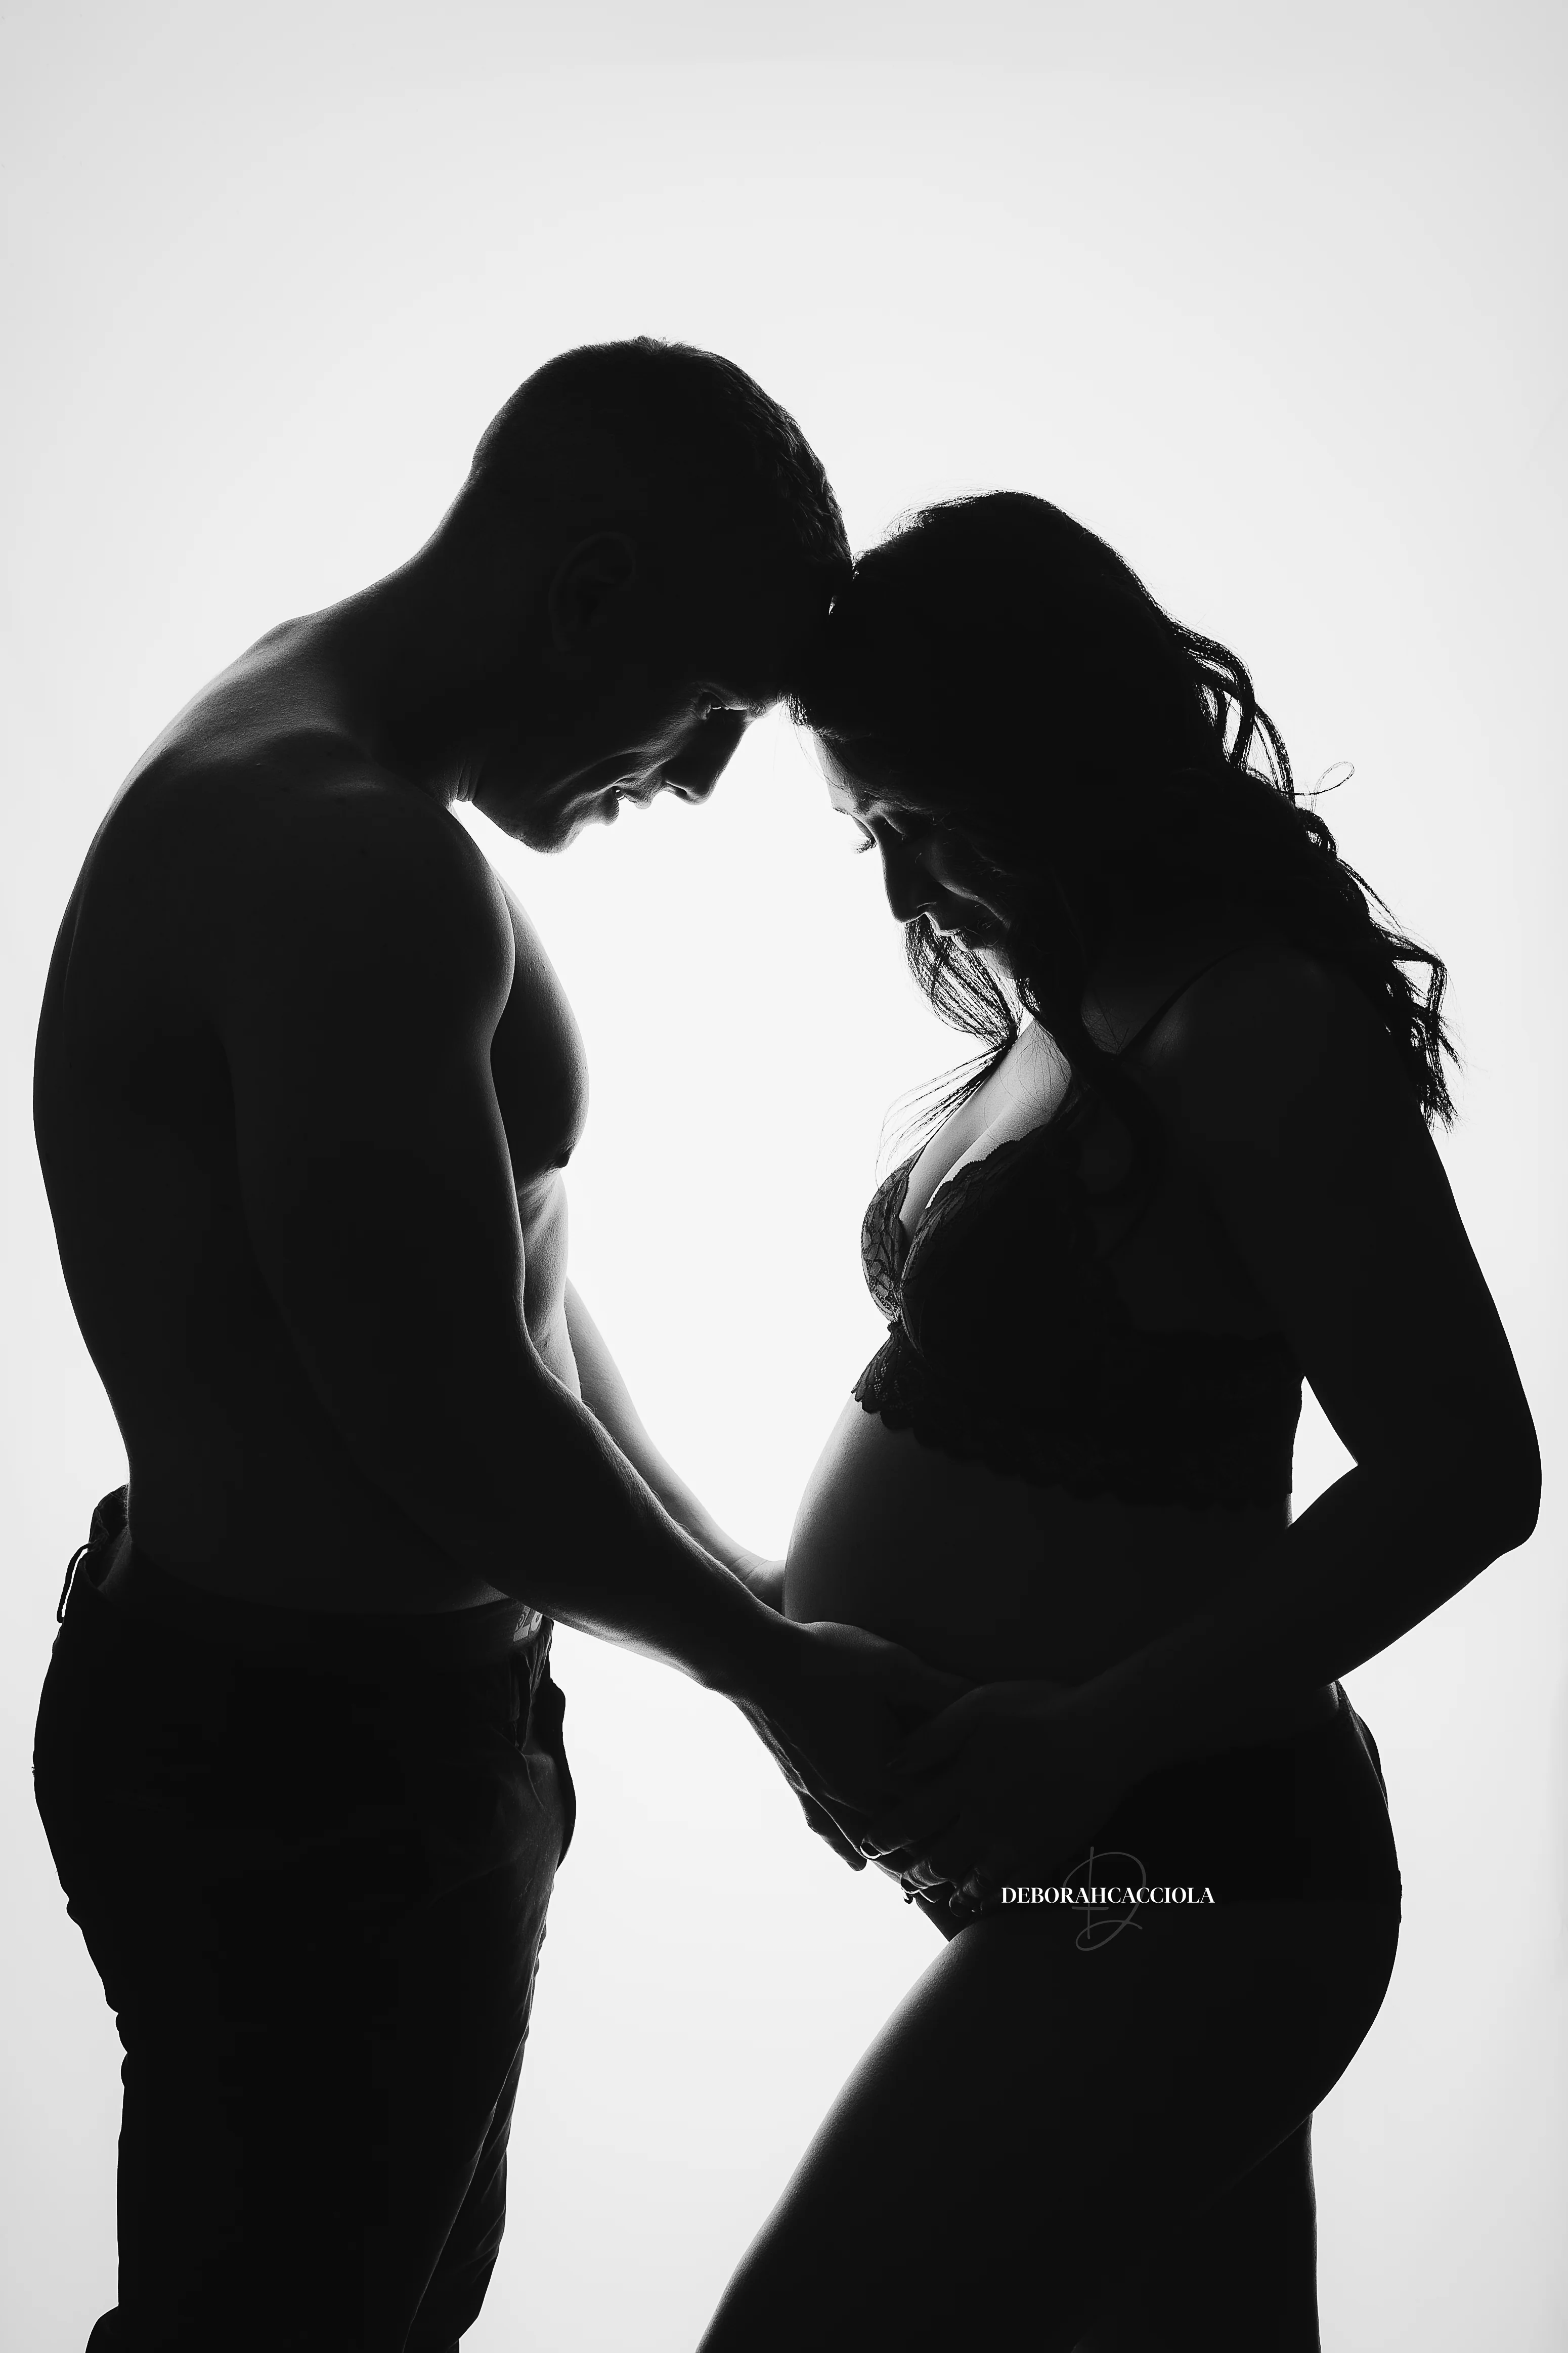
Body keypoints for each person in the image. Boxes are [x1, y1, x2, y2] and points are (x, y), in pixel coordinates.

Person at [31, 337, 955, 2353]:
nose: (701, 779)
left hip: (357, 1733)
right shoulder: (342, 864)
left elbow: (502, 1293)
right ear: (591, 591)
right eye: (709, 705)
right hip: (311, 1770)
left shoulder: (348, 778)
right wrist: (763, 1670)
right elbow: (435, 1419)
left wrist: (756, 1603)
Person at [698, 492, 1541, 2352]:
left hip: (1186, 1872)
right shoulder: (1051, 1023)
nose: (913, 876)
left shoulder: (1249, 1026)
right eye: (876, 831)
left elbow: (1469, 1474)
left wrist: (1093, 1736)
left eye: (927, 812)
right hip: (1080, 1867)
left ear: (1051, 749)